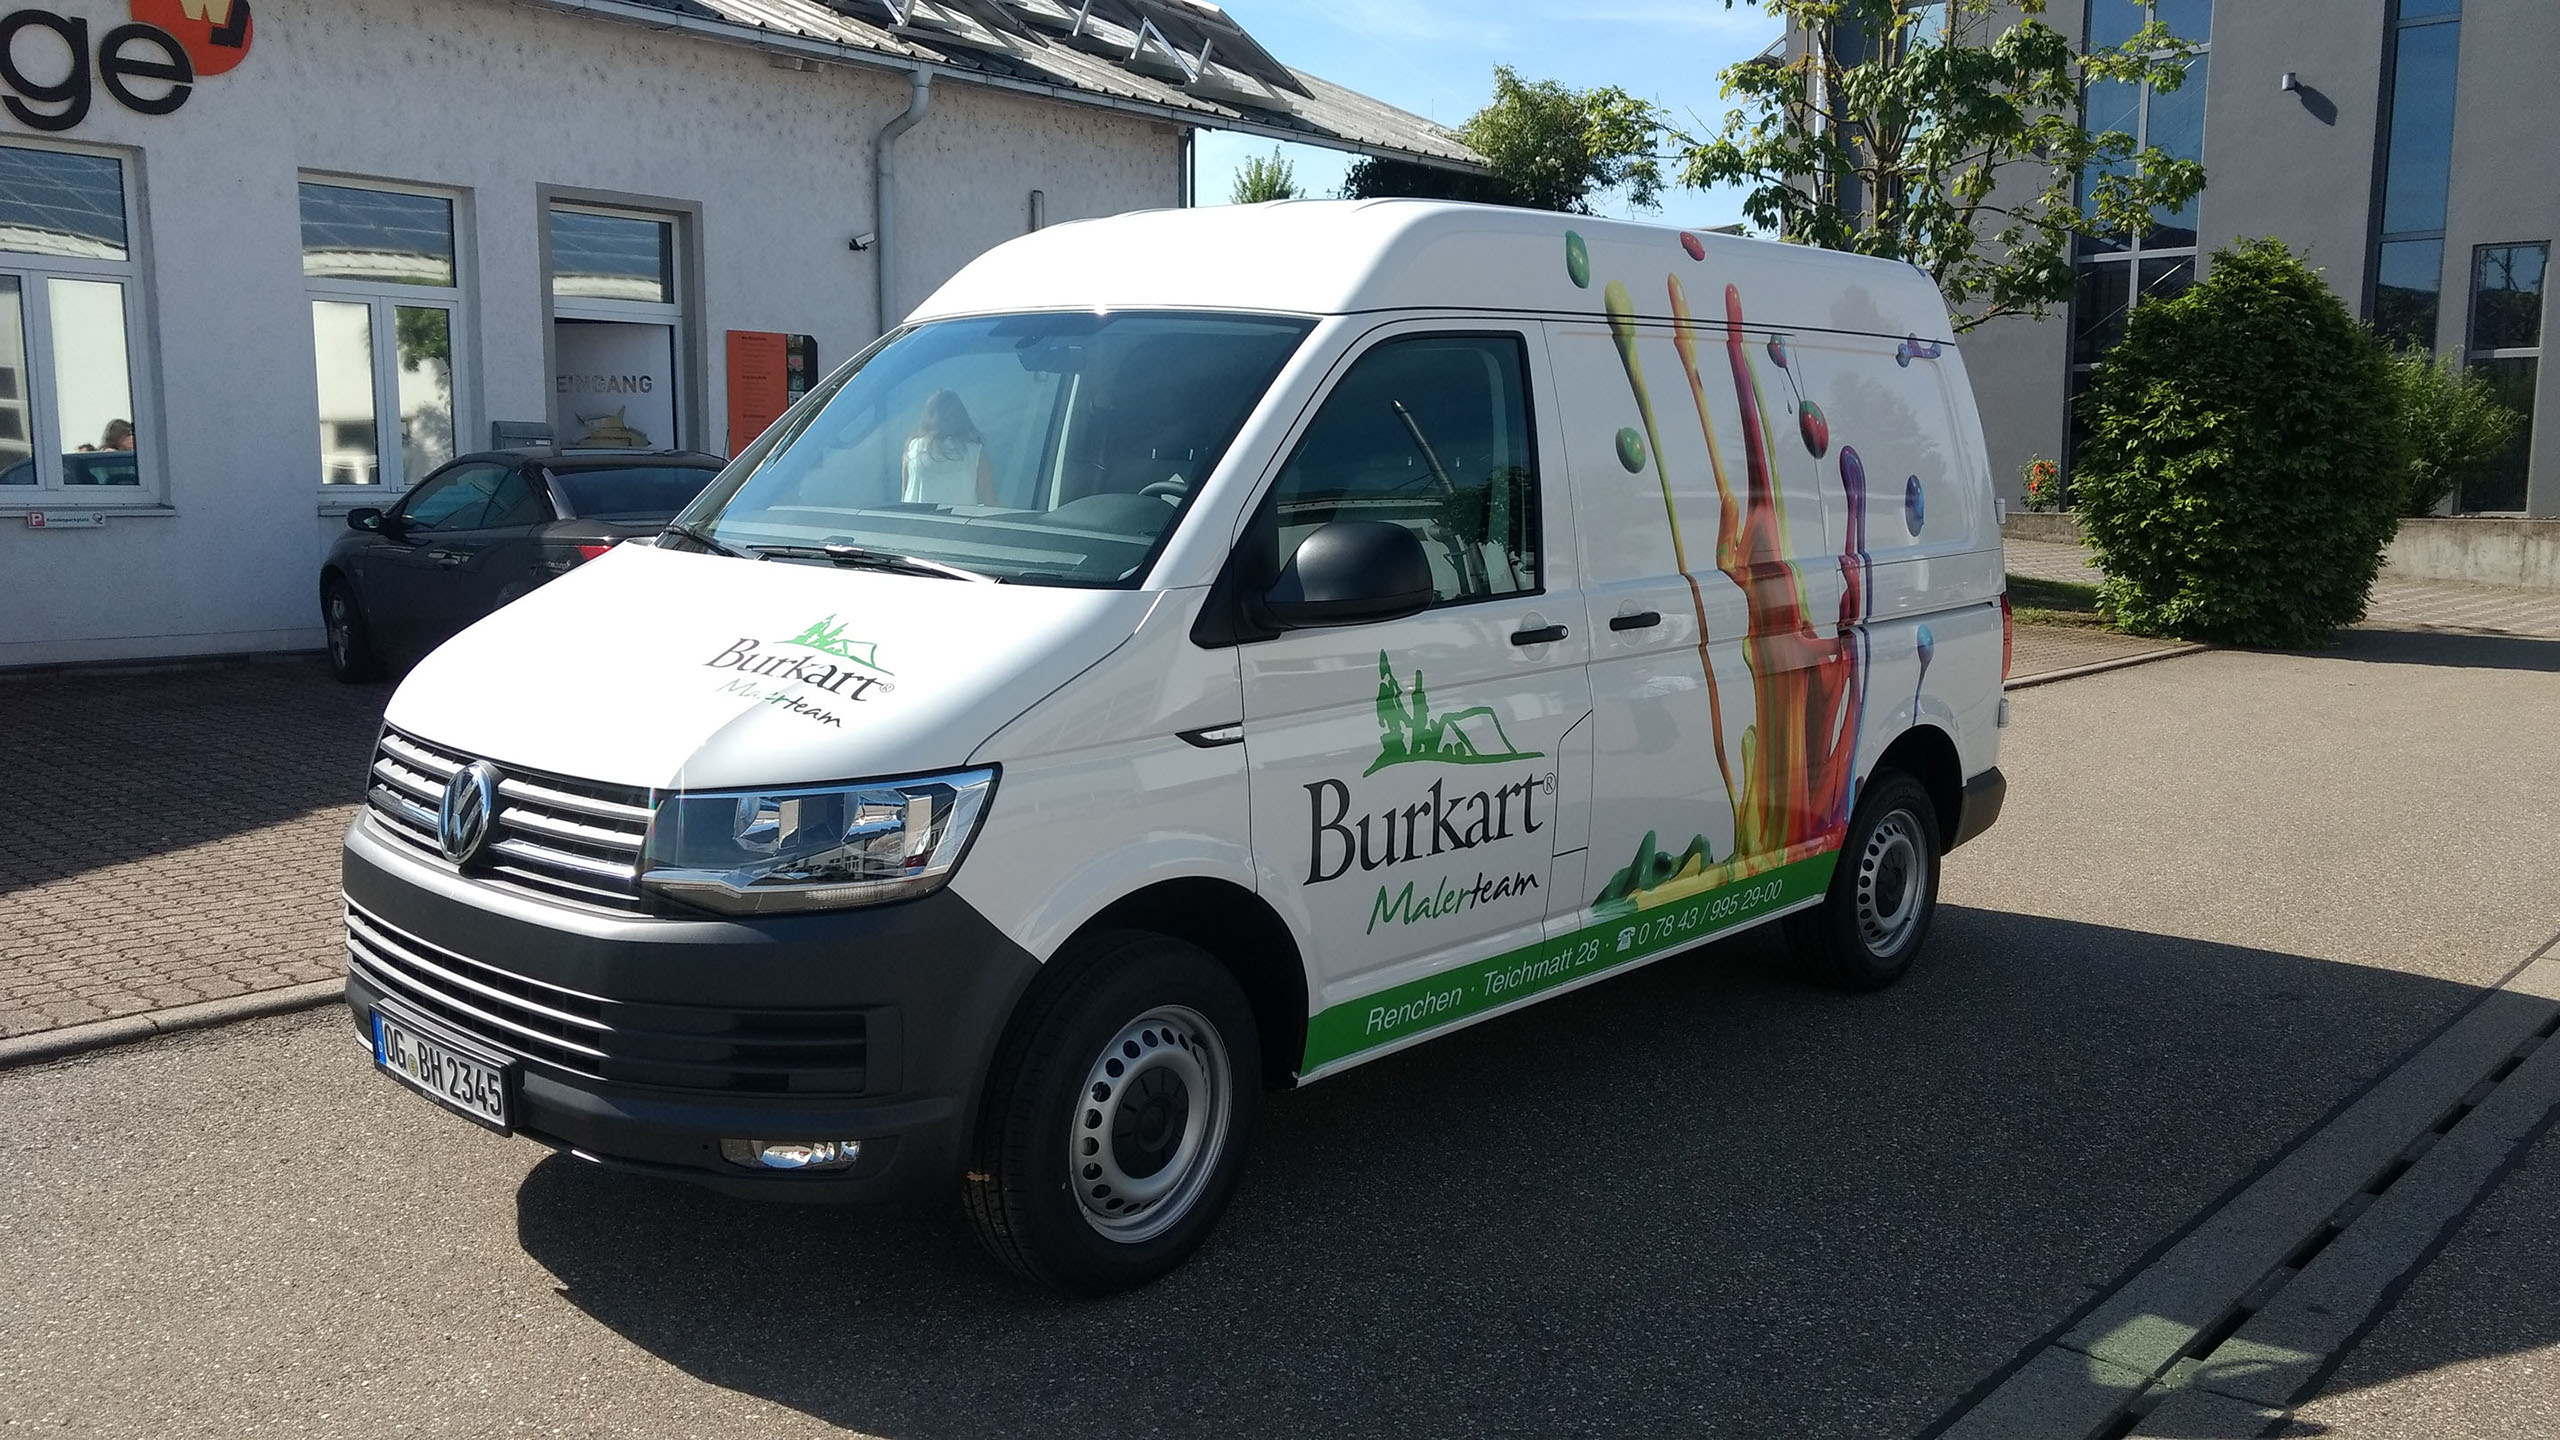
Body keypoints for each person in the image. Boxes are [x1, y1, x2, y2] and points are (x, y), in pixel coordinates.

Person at [899, 389, 995, 505]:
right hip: (959, 518)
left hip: (914, 518)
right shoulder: (975, 454)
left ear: (927, 416)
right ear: (961, 417)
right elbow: (990, 503)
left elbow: (904, 500)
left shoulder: (912, 450)